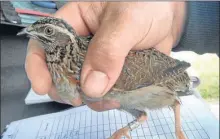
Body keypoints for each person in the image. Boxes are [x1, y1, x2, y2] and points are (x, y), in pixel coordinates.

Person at [25, 2, 219, 111]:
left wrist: (175, 13)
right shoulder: (61, 61)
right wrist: (176, 12)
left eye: (49, 32)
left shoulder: (88, 61)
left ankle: (176, 113)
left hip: (164, 79)